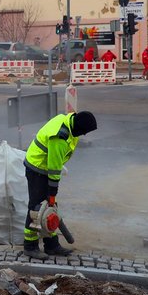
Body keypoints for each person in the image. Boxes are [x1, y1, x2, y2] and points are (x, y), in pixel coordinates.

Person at [22, 111, 97, 260]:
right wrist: (52, 191)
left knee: (50, 208)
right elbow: (54, 169)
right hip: (38, 168)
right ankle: (30, 246)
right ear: (79, 128)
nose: (83, 135)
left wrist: (51, 198)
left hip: (44, 167)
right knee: (36, 209)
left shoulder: (68, 121)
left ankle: (51, 245)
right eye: (84, 132)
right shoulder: (60, 137)